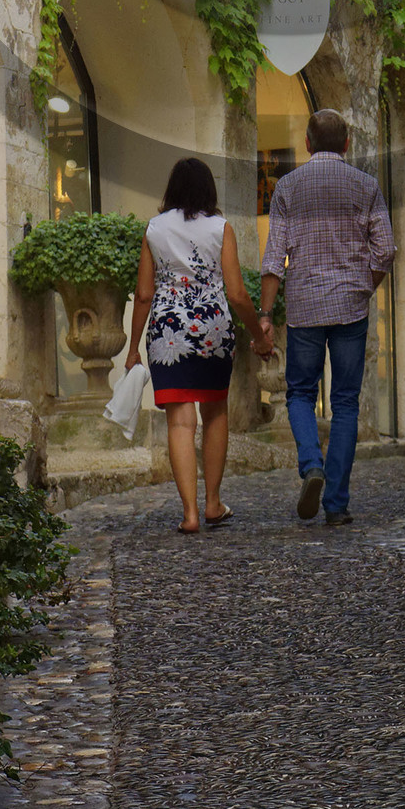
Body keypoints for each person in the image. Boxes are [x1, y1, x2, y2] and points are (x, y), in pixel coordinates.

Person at [259, 107, 394, 527]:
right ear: (348, 144)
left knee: (299, 393)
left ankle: (311, 465)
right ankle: (336, 503)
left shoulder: (288, 188)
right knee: (345, 402)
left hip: (304, 308)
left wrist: (265, 314)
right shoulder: (367, 186)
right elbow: (386, 250)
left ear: (307, 144)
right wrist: (363, 286)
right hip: (350, 308)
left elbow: (273, 259)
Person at [126, 157, 273, 534]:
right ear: (209, 191)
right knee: (215, 414)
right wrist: (258, 334)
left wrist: (132, 349)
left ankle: (189, 514)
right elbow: (237, 293)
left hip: (166, 333)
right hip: (211, 329)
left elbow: (143, 295)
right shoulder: (220, 228)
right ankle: (213, 504)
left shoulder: (154, 229)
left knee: (179, 420)